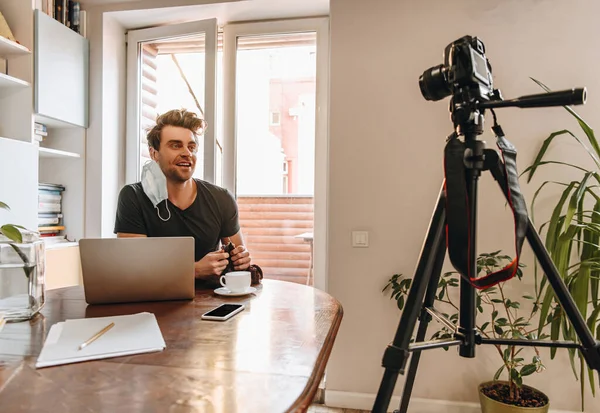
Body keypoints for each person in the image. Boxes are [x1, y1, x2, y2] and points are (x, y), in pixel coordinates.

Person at [114, 109, 251, 282]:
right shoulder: (133, 197)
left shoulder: (221, 198)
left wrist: (241, 260)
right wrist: (192, 270)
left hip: (213, 303)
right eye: (176, 145)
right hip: (155, 304)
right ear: (154, 153)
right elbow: (132, 268)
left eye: (191, 147)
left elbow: (239, 264)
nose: (187, 153)